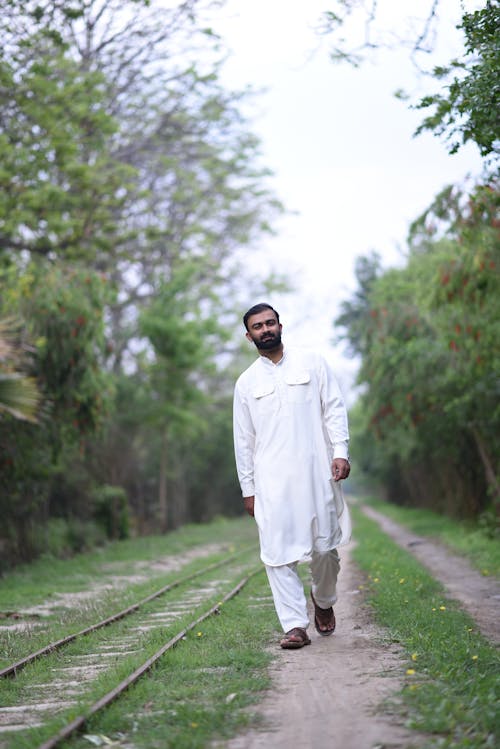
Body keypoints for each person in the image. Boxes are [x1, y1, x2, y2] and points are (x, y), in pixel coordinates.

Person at [233, 302, 351, 649]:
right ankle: (295, 626)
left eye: (270, 323)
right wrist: (248, 489)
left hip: (317, 476)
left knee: (326, 549)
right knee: (276, 554)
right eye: (258, 326)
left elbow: (334, 407)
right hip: (272, 484)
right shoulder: (246, 383)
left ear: (280, 326)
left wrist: (340, 451)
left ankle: (324, 601)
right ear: (249, 335)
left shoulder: (312, 362)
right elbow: (243, 441)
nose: (265, 329)